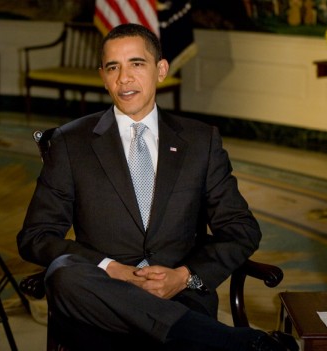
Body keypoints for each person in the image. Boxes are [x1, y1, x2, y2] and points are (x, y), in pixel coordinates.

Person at [17, 23, 297, 351]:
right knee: (64, 273)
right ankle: (234, 344)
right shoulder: (70, 143)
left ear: (161, 70)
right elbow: (35, 237)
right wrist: (114, 270)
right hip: (102, 303)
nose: (124, 78)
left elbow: (241, 229)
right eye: (113, 68)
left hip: (180, 298)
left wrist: (186, 276)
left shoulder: (200, 141)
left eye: (136, 64)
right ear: (103, 76)